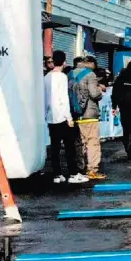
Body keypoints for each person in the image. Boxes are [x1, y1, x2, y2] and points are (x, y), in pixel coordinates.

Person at [43, 50, 89, 184]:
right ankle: (73, 174)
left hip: (51, 116)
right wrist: (69, 118)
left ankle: (57, 174)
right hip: (62, 116)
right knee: (70, 146)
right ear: (64, 61)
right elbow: (63, 98)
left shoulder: (46, 77)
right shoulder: (62, 77)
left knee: (55, 147)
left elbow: (45, 99)